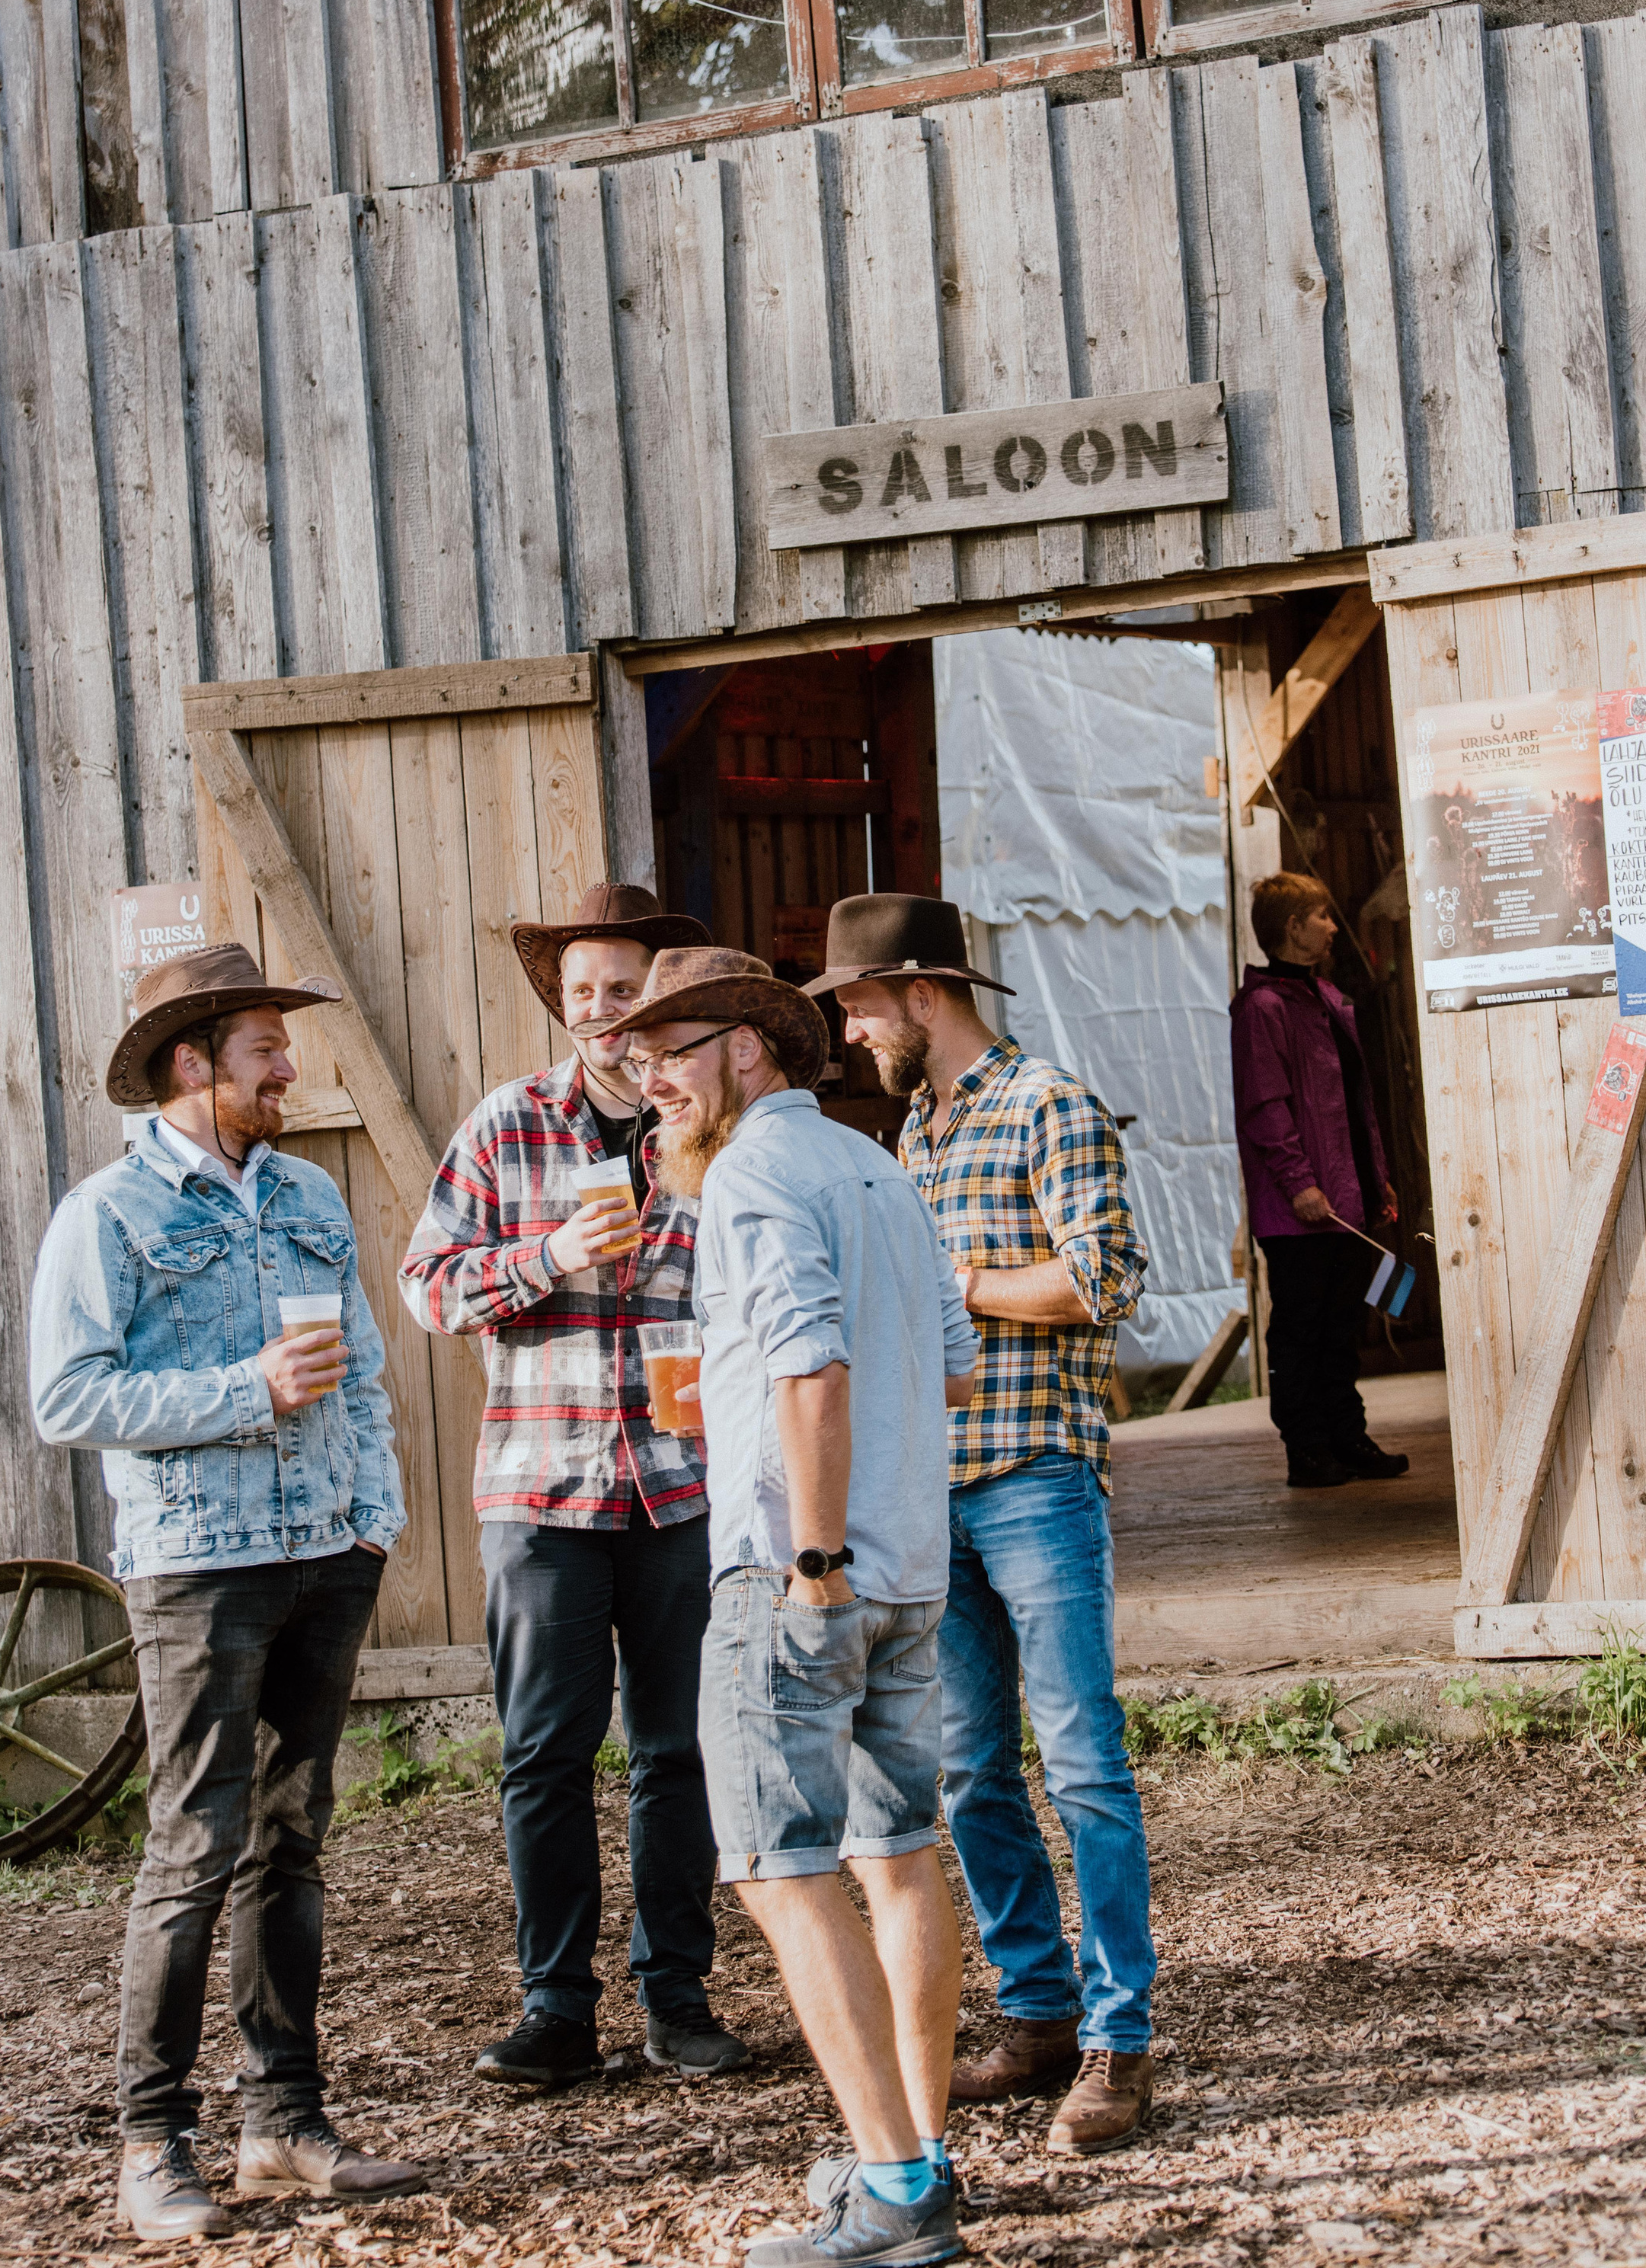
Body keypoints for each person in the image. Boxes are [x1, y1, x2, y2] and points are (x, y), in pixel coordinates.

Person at [30, 944, 421, 2244]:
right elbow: (69, 1398)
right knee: (194, 1847)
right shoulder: (109, 1216)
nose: (289, 1071)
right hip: (200, 1567)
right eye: (266, 1051)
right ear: (193, 1064)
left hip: (326, 1554)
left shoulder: (309, 1192)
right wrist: (244, 1392)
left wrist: (376, 1520)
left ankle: (284, 2127)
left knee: (293, 1840)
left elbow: (361, 1368)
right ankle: (153, 2144)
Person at [627, 945, 979, 2268]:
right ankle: (922, 2158)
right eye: (640, 1057)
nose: (651, 1077)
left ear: (749, 1050)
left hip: (800, 1577)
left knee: (779, 1874)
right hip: (912, 1567)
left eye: (676, 1050)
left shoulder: (759, 1177)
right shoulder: (875, 1164)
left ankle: (893, 2192)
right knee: (898, 1856)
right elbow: (949, 1367)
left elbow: (812, 1369)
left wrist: (814, 1560)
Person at [810, 894, 1155, 2157]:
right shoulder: (918, 1127)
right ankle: (1039, 2011)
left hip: (1037, 1478)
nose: (847, 1032)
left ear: (919, 993)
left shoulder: (1046, 1105)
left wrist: (945, 1288)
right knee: (970, 1778)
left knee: (1084, 1769)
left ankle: (1122, 2040)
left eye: (855, 1004)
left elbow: (1105, 1278)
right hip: (934, 1490)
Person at [398, 882, 750, 2089]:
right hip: (541, 1489)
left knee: (679, 1752)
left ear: (662, 996)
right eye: (582, 990)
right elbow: (428, 1285)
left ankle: (680, 1997)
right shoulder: (508, 1124)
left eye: (624, 990)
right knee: (544, 1753)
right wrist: (545, 1256)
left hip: (678, 1484)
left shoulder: (708, 1126)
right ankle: (555, 2007)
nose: (601, 1011)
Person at [1230, 870, 1406, 1488]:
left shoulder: (1328, 1000)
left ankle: (1346, 1435)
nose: (1333, 926)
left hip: (1347, 1197)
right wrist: (1300, 1183)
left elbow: (1357, 1104)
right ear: (1291, 926)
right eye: (1322, 916)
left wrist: (1376, 1177)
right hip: (1301, 1208)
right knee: (1302, 1327)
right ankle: (1305, 1446)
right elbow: (1266, 1106)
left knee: (1340, 1325)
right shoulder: (1262, 1008)